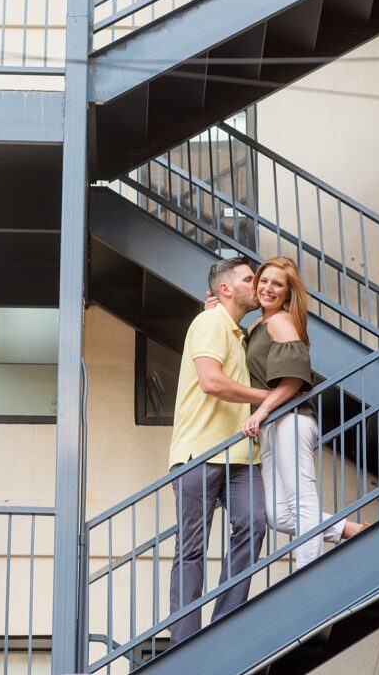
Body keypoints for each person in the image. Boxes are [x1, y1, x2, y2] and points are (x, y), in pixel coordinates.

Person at [236, 257, 365, 568]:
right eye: (263, 281)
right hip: (270, 425)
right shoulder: (259, 324)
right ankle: (353, 531)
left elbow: (294, 378)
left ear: (287, 293)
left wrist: (260, 411)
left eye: (277, 284)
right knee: (275, 513)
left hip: (290, 420)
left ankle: (307, 571)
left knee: (301, 500)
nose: (268, 288)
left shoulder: (281, 321)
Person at [167, 256, 270, 646]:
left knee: (254, 524)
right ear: (225, 289)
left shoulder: (240, 332)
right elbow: (210, 381)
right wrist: (267, 398)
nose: (256, 285)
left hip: (242, 455)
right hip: (198, 453)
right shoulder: (209, 321)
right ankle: (185, 640)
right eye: (248, 279)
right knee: (191, 549)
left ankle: (225, 622)